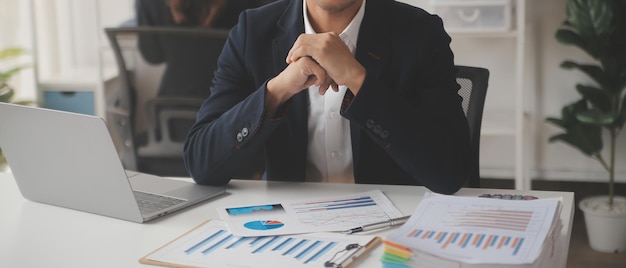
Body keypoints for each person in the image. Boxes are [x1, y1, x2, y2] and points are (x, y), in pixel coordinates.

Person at [183, 0, 471, 194]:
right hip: (289, 227)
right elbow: (202, 164)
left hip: (393, 224)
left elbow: (449, 172)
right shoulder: (252, 31)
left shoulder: (421, 32)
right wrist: (278, 89)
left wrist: (359, 80)